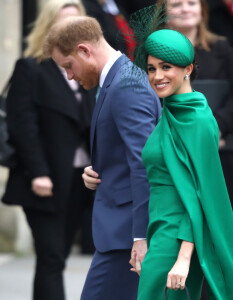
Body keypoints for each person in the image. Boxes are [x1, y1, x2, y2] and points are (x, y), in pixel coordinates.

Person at [129, 28, 233, 299]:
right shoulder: (171, 111)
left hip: (177, 239)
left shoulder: (197, 119)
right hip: (161, 232)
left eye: (166, 67)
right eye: (151, 69)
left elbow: (203, 196)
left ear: (187, 69)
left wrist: (184, 257)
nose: (157, 76)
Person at [43, 16, 161, 300]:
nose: (70, 76)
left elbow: (146, 165)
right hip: (121, 234)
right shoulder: (118, 81)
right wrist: (98, 172)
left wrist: (140, 238)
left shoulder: (125, 86)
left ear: (84, 50)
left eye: (68, 66)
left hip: (127, 239)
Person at [1, 1, 95, 300]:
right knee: (51, 259)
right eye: (64, 21)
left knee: (61, 255)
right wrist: (38, 172)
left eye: (77, 22)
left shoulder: (91, 71)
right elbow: (22, 126)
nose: (71, 28)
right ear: (48, 26)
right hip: (44, 181)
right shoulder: (31, 68)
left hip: (80, 180)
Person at [157, 0, 233, 253]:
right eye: (177, 4)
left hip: (220, 144)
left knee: (220, 234)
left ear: (203, 10)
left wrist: (216, 128)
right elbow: (151, 98)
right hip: (176, 145)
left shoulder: (221, 46)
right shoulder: (156, 49)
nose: (186, 8)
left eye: (192, 3)